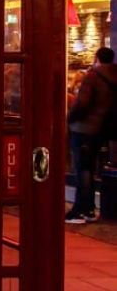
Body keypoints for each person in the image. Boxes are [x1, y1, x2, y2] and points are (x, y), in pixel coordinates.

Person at [67, 47, 117, 223]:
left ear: (97, 58)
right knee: (90, 167)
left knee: (83, 169)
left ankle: (80, 210)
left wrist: (70, 118)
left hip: (84, 128)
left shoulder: (93, 76)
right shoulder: (114, 76)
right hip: (102, 130)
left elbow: (82, 103)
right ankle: (88, 209)